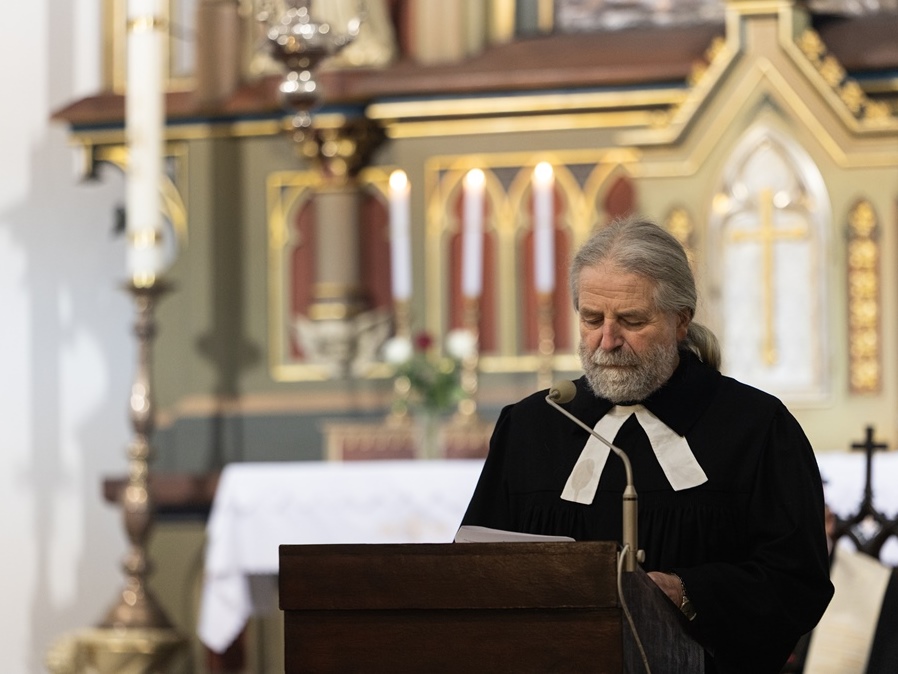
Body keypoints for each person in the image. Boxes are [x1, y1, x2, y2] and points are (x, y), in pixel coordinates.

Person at [461, 216, 834, 673]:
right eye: (591, 319)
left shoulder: (756, 428)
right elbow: (475, 571)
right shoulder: (532, 426)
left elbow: (798, 582)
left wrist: (686, 591)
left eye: (632, 320)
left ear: (681, 321)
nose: (607, 341)